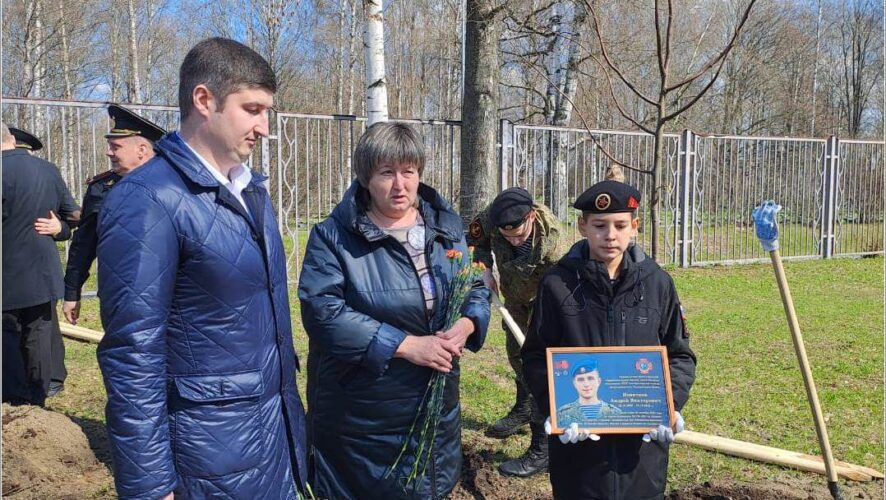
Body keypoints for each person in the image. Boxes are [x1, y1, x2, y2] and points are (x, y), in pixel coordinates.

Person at [96, 37, 306, 499]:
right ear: (204, 100)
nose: (264, 127)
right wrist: (150, 484)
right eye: (252, 110)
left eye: (267, 112)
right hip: (207, 455)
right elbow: (133, 351)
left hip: (270, 439)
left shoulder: (251, 191)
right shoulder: (149, 200)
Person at [298, 121, 490, 499]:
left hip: (435, 412)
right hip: (364, 422)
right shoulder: (334, 237)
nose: (400, 185)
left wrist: (468, 323)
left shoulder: (445, 230)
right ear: (366, 178)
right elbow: (323, 312)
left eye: (409, 171)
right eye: (387, 173)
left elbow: (475, 286)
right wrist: (406, 345)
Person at [522, 180, 697, 500]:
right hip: (579, 457)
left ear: (635, 227)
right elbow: (535, 356)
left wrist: (670, 404)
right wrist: (557, 408)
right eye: (600, 225)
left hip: (641, 457)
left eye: (620, 225)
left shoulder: (658, 283)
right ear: (583, 227)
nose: (610, 235)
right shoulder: (557, 285)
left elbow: (680, 354)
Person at [466, 187, 564, 477]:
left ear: (531, 216)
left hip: (545, 300)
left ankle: (543, 447)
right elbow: (474, 240)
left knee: (539, 366)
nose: (513, 240)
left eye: (519, 235)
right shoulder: (490, 217)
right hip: (513, 297)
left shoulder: (553, 241)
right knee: (516, 353)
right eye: (506, 236)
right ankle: (523, 408)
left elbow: (561, 286)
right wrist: (484, 268)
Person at [62, 104, 166, 326]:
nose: (108, 152)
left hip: (168, 298)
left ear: (141, 149)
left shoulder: (173, 185)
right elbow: (84, 244)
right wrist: (72, 291)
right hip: (119, 298)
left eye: (115, 146)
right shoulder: (102, 188)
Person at [2, 123, 80, 406]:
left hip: (6, 273)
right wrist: (61, 229)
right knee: (39, 334)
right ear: (12, 139)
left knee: (7, 336)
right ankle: (39, 397)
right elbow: (74, 215)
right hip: (42, 273)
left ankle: (14, 401)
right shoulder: (48, 170)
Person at [555, 362, 621, 427]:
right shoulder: (562, 413)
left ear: (599, 382)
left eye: (590, 378)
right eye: (581, 380)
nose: (586, 384)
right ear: (574, 383)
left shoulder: (615, 412)